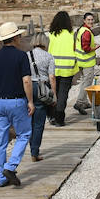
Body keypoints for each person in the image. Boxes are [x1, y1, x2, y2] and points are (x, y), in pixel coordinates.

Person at [0, 22, 34, 187]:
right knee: (24, 134)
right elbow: (26, 81)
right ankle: (11, 166)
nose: (20, 38)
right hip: (17, 101)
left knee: (1, 140)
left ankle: (1, 177)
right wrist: (30, 101)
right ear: (15, 38)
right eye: (19, 36)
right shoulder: (21, 56)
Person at [27, 33, 57, 162]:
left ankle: (28, 145)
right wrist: (54, 94)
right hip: (42, 88)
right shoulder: (49, 56)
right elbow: (52, 77)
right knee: (39, 123)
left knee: (28, 120)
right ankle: (35, 152)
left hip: (28, 87)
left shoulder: (27, 55)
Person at [47, 11, 77, 126]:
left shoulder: (52, 34)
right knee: (63, 93)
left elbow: (49, 51)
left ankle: (52, 116)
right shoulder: (71, 34)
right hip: (68, 68)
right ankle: (60, 118)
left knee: (54, 93)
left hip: (54, 67)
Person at [71, 11, 100, 115]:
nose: (91, 21)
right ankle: (79, 103)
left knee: (84, 81)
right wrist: (95, 48)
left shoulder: (81, 29)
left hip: (80, 61)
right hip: (87, 62)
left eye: (92, 20)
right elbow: (86, 48)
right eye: (89, 20)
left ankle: (85, 102)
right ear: (84, 20)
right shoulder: (87, 32)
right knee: (87, 82)